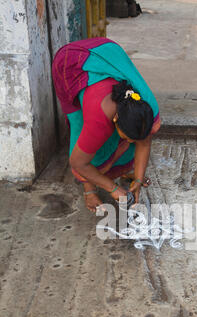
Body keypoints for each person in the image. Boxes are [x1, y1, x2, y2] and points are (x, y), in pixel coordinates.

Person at [52, 37, 161, 213]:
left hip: (107, 52)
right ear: (116, 120)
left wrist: (139, 180)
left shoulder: (145, 106)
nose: (132, 143)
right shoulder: (98, 121)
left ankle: (123, 166)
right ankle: (89, 190)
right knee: (81, 130)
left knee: (138, 135)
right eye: (126, 137)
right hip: (70, 64)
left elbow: (144, 141)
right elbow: (78, 163)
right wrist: (112, 188)